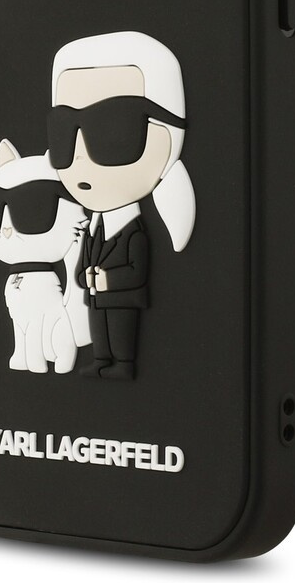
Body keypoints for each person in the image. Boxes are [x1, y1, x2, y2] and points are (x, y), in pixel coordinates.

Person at [47, 31, 195, 379]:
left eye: (114, 130)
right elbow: (83, 263)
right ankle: (101, 360)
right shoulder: (93, 227)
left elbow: (136, 269)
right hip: (96, 297)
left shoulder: (134, 233)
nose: (80, 154)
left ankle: (123, 364)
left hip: (122, 299)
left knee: (120, 331)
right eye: (64, 130)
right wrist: (85, 276)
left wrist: (107, 279)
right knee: (100, 330)